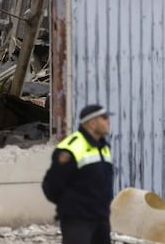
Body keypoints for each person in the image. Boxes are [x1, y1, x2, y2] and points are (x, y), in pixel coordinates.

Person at [42, 104, 114, 244]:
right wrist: (71, 207)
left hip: (101, 218)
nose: (108, 121)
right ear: (92, 123)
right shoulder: (71, 148)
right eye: (104, 118)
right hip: (78, 221)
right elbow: (52, 185)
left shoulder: (103, 147)